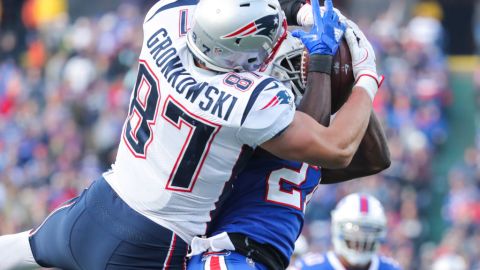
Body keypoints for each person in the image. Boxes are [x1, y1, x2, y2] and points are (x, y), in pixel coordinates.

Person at [0, 0, 381, 268]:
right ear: (240, 56)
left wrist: (294, 10)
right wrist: (365, 76)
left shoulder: (164, 18)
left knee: (19, 250)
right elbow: (338, 147)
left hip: (98, 205)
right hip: (150, 245)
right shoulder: (248, 100)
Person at [186, 4, 390, 270]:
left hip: (254, 260)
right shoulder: (254, 123)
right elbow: (311, 134)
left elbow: (375, 160)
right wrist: (344, 73)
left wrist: (349, 82)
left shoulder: (310, 147)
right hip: (229, 255)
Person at [292, 193, 401, 270]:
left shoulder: (391, 267)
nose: (361, 237)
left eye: (369, 229)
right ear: (336, 227)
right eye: (352, 228)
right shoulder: (309, 267)